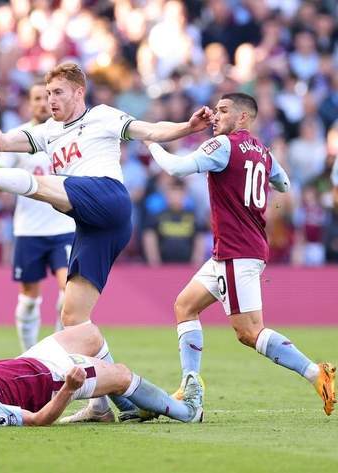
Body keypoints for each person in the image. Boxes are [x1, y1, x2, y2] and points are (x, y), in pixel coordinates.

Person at [0, 62, 212, 423]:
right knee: (74, 319)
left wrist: (188, 127)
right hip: (92, 226)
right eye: (48, 93)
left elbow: (151, 130)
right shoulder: (47, 132)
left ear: (79, 92)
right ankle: (113, 405)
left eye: (58, 92)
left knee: (41, 185)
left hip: (108, 198)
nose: (51, 100)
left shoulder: (102, 116)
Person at [144, 92, 335, 417]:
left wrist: (151, 141)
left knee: (249, 332)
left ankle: (317, 374)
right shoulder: (262, 151)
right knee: (185, 306)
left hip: (236, 251)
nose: (216, 116)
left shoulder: (223, 146)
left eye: (223, 110)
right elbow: (285, 184)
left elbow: (175, 168)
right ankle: (190, 386)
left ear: (243, 117)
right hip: (234, 250)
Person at [0, 323, 204, 426]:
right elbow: (38, 420)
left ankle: (122, 409)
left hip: (31, 360)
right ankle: (187, 412)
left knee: (91, 334)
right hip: (52, 379)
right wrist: (69, 387)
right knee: (121, 376)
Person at [0, 80, 76, 351]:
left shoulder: (69, 134)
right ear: (29, 104)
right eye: (37, 98)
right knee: (29, 299)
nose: (43, 103)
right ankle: (29, 354)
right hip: (29, 229)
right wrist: (7, 179)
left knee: (69, 293)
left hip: (64, 226)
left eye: (48, 97)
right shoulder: (18, 137)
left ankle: (58, 351)